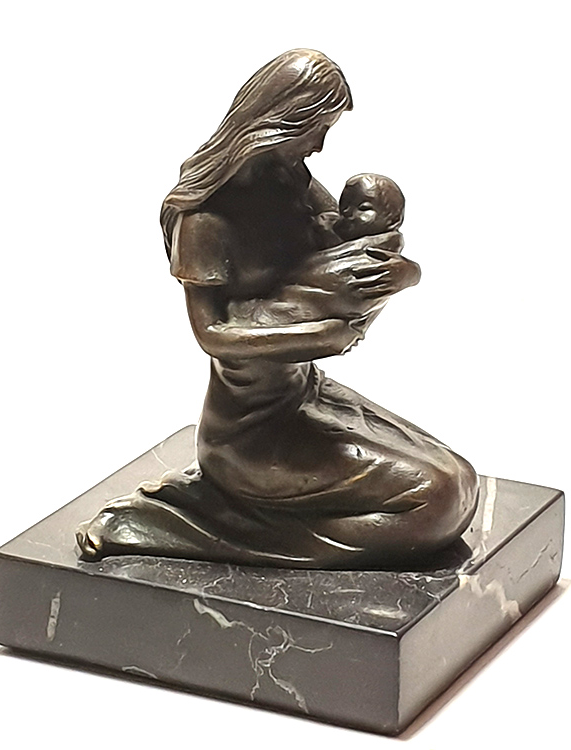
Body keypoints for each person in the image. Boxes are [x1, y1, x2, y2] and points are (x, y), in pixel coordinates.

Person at [77, 49, 478, 569]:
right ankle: (206, 527)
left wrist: (406, 271)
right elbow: (211, 333)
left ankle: (238, 514)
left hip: (308, 395)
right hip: (248, 433)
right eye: (316, 128)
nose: (320, 145)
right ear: (279, 121)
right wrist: (322, 337)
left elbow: (358, 241)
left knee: (460, 481)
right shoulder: (206, 219)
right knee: (437, 501)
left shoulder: (291, 182)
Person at [225, 173, 409, 327]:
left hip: (277, 309)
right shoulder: (334, 226)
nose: (347, 213)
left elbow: (330, 291)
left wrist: (410, 273)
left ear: (393, 220)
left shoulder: (373, 258)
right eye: (345, 205)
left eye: (363, 208)